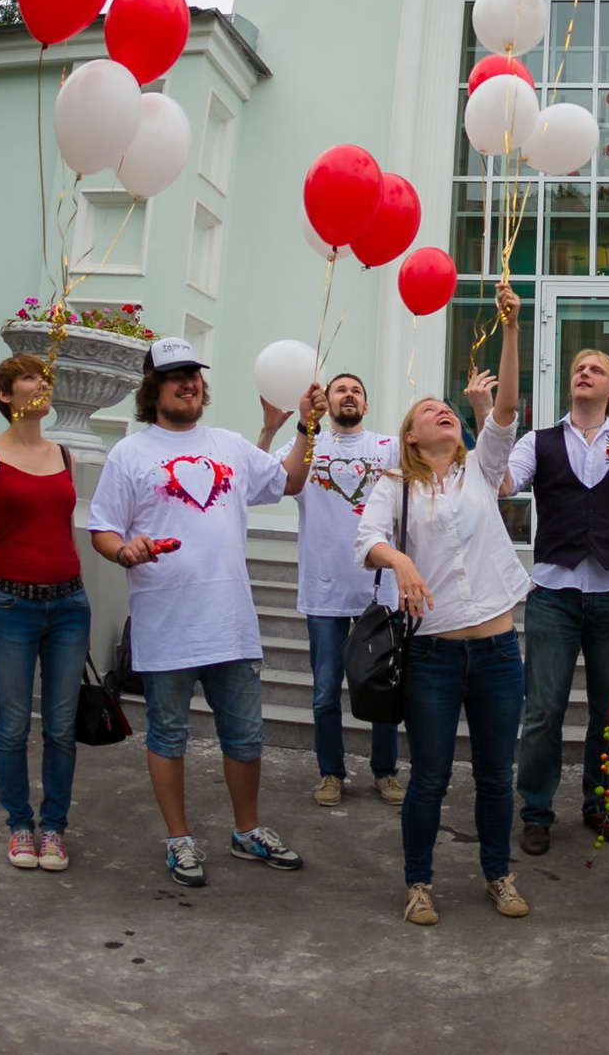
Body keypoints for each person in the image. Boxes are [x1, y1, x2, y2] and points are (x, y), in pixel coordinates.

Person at [87, 335, 322, 887]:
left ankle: (246, 832)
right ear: (153, 389)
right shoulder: (130, 453)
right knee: (167, 735)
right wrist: (123, 550)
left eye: (194, 374)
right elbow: (102, 528)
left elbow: (288, 480)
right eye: (175, 376)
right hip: (165, 624)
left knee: (245, 737)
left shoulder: (231, 444)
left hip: (230, 622)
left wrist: (306, 426)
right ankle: (179, 839)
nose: (189, 382)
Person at [356, 284, 528, 926]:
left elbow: (505, 409)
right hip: (430, 656)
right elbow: (365, 540)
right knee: (429, 777)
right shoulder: (394, 485)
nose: (444, 412)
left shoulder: (482, 470)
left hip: (498, 652)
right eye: (430, 410)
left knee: (493, 776)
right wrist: (398, 560)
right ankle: (419, 883)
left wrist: (512, 330)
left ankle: (498, 874)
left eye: (449, 407)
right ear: (410, 433)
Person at [506, 337, 609, 856]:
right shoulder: (539, 441)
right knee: (543, 709)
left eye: (596, 369)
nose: (584, 373)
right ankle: (535, 810)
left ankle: (601, 804)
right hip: (553, 593)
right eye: (578, 368)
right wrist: (488, 418)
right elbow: (502, 484)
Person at [0, 353, 89, 871]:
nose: (42, 383)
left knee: (60, 726)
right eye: (30, 377)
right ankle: (18, 825)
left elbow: (62, 530)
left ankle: (52, 827)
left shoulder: (65, 456)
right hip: (11, 605)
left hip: (69, 605)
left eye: (44, 376)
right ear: (6, 395)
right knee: (12, 726)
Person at [280, 371, 403, 809]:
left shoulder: (389, 448)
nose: (348, 395)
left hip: (379, 591)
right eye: (340, 390)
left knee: (384, 688)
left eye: (356, 391)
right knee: (324, 690)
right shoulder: (306, 449)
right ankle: (331, 773)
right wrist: (279, 424)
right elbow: (263, 478)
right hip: (324, 590)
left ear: (365, 406)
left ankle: (385, 773)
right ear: (325, 402)